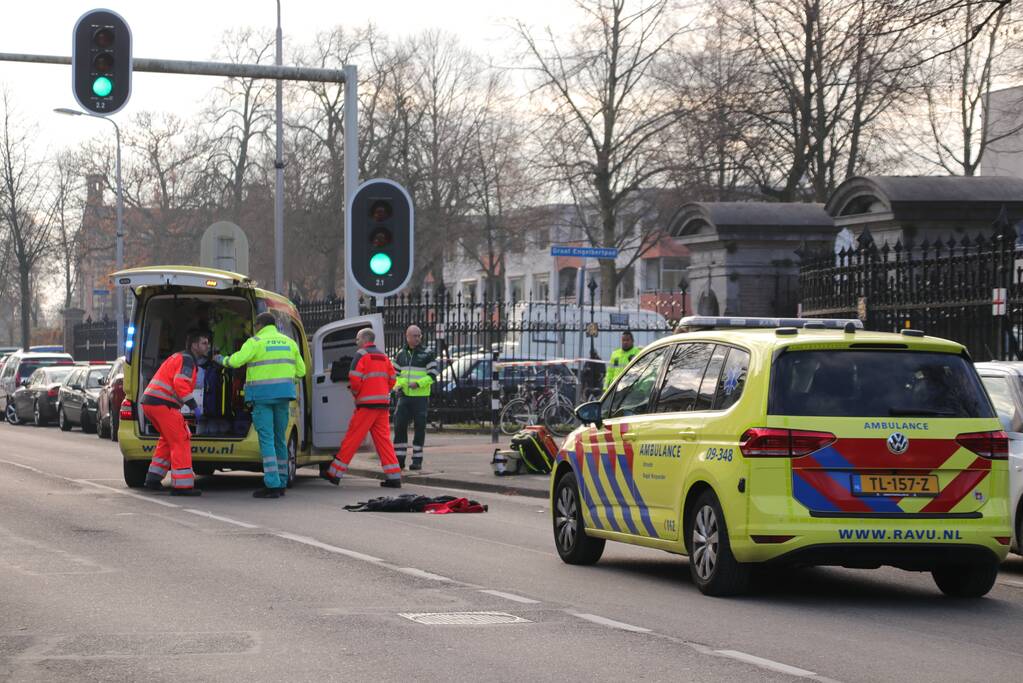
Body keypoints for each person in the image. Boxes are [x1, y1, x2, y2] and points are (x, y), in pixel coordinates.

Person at [214, 311, 305, 499]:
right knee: (280, 438)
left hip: (262, 398)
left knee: (267, 439)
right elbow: (302, 371)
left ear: (259, 326)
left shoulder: (255, 342)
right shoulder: (290, 343)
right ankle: (281, 481)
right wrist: (287, 381)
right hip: (284, 397)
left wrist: (221, 360)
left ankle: (271, 485)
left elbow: (236, 361)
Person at [322, 328, 402, 488]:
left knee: (352, 439)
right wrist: (381, 390)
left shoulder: (361, 355)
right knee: (384, 441)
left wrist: (356, 393)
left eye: (357, 339)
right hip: (382, 405)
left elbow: (355, 379)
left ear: (364, 340)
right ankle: (394, 477)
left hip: (366, 406)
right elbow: (393, 379)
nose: (356, 342)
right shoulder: (384, 357)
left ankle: (335, 473)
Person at [141, 330, 209, 496]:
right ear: (194, 345)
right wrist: (194, 407)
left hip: (151, 403)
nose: (208, 346)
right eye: (204, 343)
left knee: (167, 439)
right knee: (180, 439)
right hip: (163, 404)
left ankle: (153, 478)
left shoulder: (181, 357)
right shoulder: (187, 360)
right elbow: (180, 384)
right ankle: (182, 486)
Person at [392, 324, 438, 470]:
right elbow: (394, 376)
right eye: (415, 336)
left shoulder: (428, 353)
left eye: (419, 336)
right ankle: (399, 459)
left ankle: (417, 460)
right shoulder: (400, 354)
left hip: (420, 397)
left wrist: (418, 384)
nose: (418, 338)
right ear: (407, 337)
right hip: (404, 396)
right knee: (399, 427)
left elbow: (433, 375)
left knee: (419, 429)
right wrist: (399, 386)